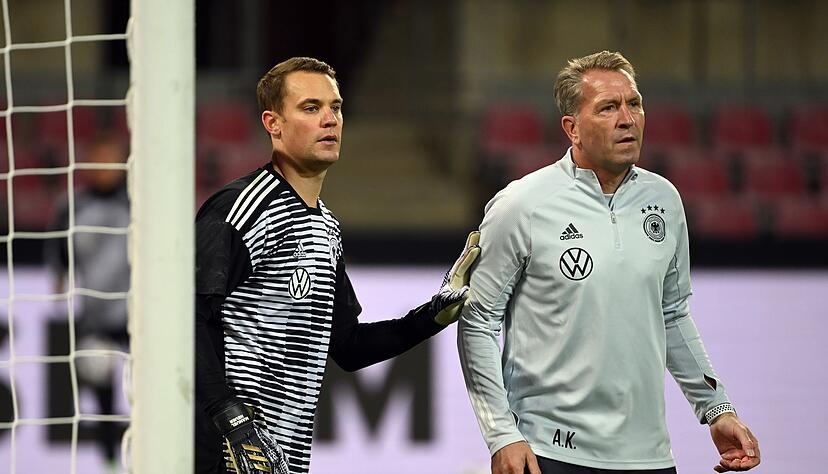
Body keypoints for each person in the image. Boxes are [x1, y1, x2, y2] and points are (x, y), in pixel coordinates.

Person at [457, 51, 760, 474]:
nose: (627, 118)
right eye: (608, 107)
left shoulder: (665, 201)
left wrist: (716, 407)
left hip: (649, 457)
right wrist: (502, 434)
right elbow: (477, 320)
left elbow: (671, 314)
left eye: (634, 103)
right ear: (572, 129)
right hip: (550, 453)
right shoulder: (521, 205)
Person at [194, 57, 479, 474]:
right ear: (273, 123)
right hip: (224, 455)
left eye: (336, 107)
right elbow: (187, 322)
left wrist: (431, 317)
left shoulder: (325, 227)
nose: (330, 119)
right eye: (311, 108)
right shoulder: (239, 211)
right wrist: (231, 421)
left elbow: (347, 347)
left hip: (280, 461)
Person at [46, 135, 130, 469]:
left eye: (109, 160)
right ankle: (110, 461)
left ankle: (155, 453)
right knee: (102, 395)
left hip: (139, 315)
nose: (103, 168)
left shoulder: (137, 201)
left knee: (149, 391)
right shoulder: (75, 205)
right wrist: (60, 275)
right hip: (97, 317)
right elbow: (58, 249)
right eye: (97, 160)